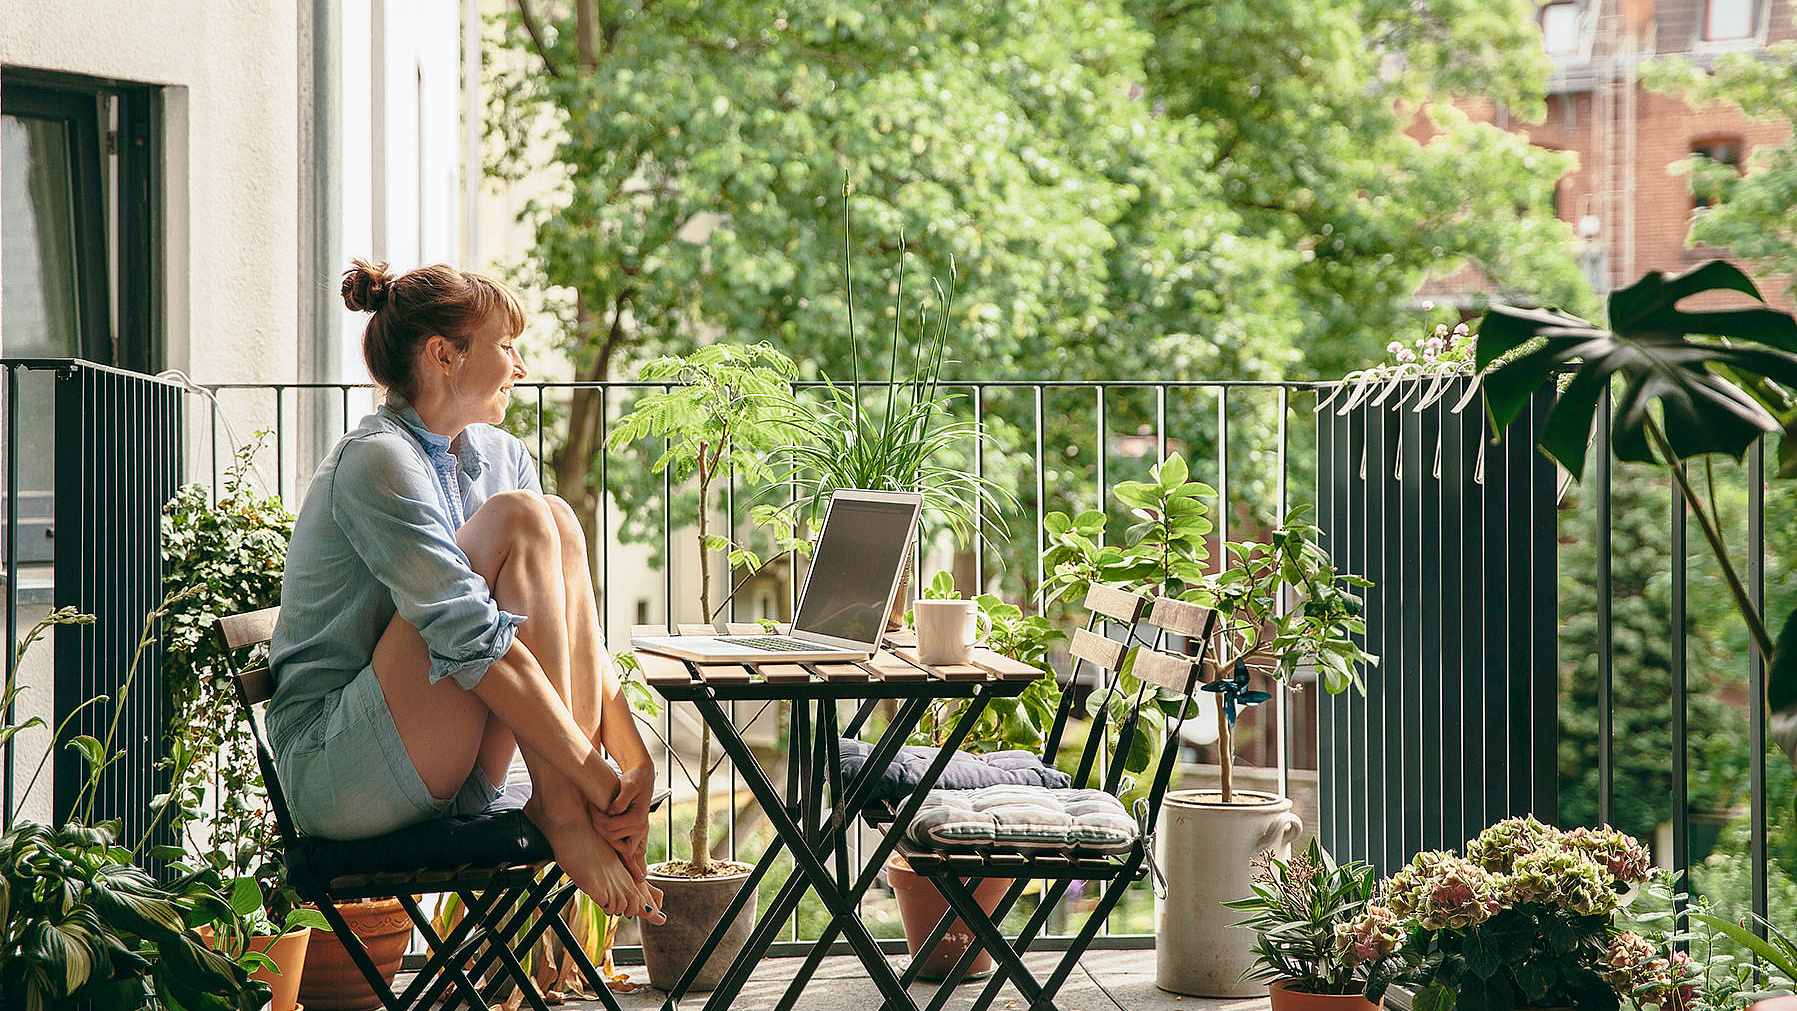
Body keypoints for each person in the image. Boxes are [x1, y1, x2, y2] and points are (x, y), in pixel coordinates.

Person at [267, 259, 663, 922]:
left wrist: (630, 759)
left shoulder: (499, 456)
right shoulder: (377, 461)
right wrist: (595, 785)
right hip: (339, 771)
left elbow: (564, 626)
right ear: (442, 354)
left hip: (440, 755)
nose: (521, 366)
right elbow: (472, 641)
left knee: (555, 518)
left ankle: (566, 801)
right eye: (507, 347)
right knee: (522, 518)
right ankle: (563, 810)